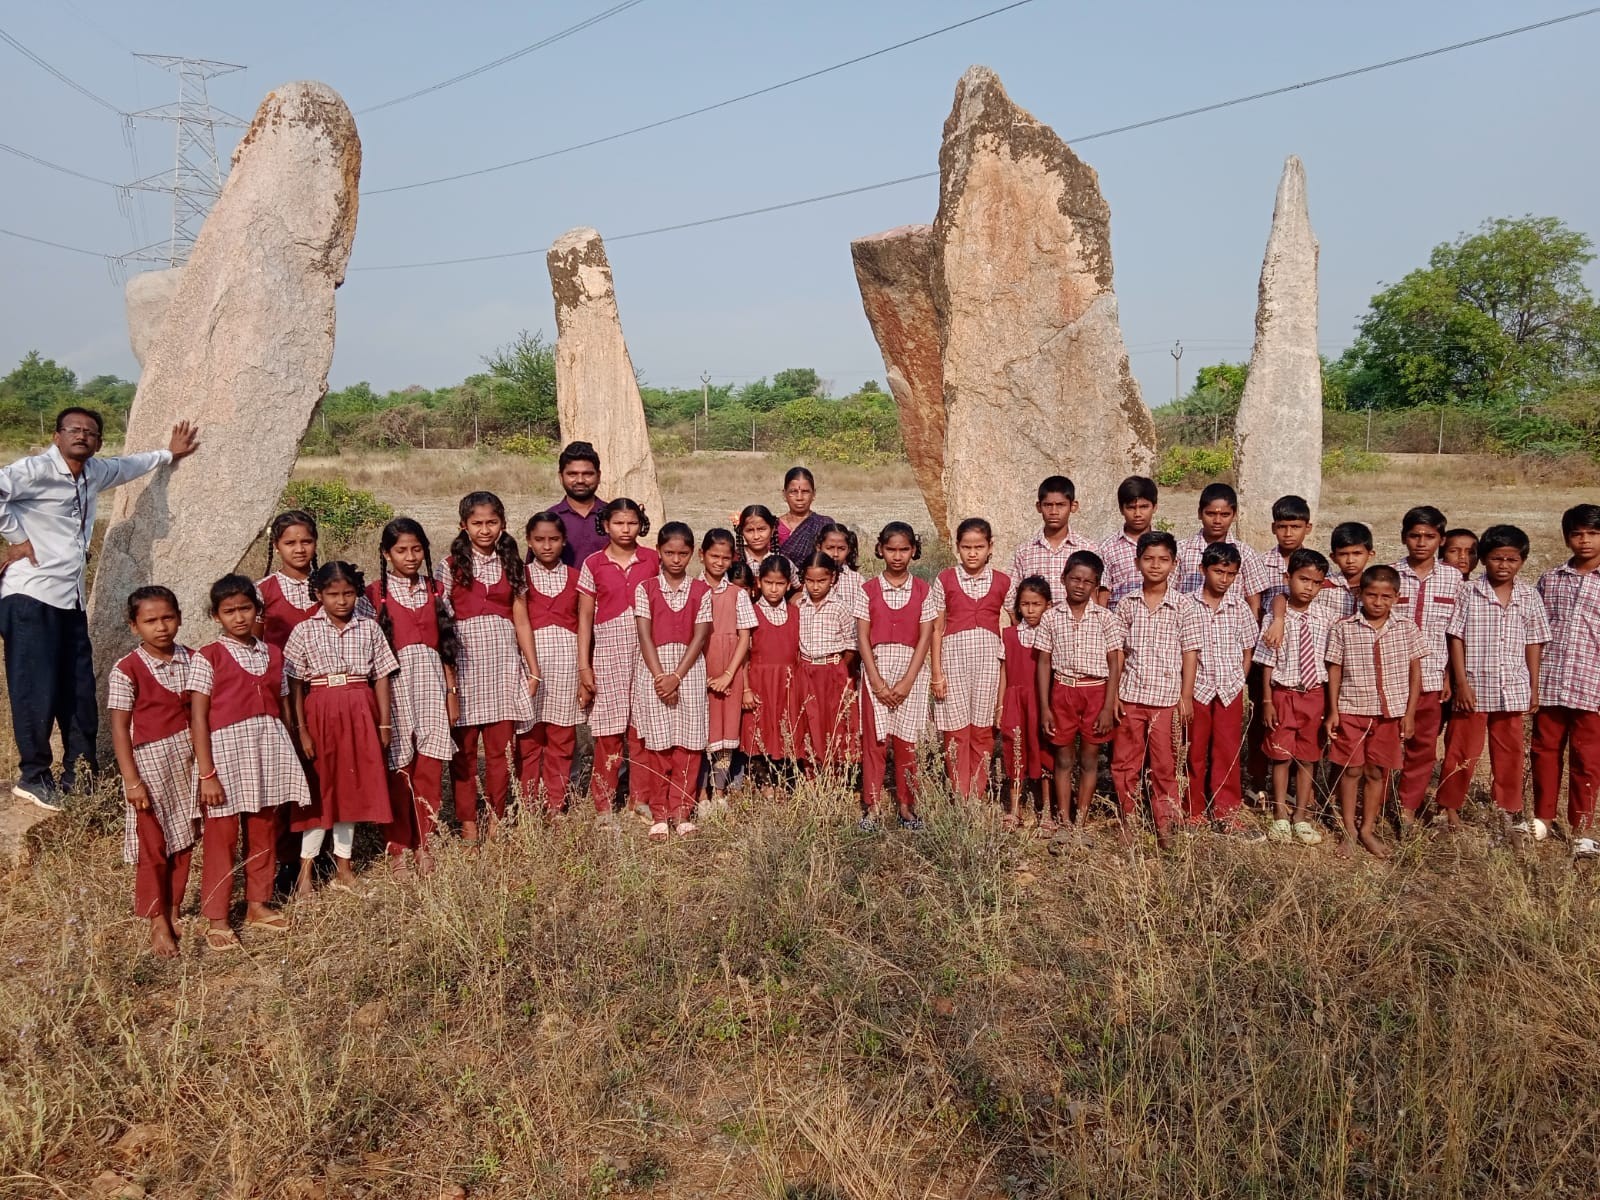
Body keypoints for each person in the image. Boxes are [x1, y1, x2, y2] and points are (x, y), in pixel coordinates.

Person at [0, 408, 199, 809]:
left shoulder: (93, 473)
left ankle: (81, 773)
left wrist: (169, 454)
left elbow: (130, 466)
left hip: (69, 600)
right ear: (57, 436)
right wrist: (16, 537)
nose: (81, 436)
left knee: (78, 691)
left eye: (90, 432)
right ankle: (33, 775)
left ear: (98, 441)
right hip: (29, 596)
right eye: (73, 429)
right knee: (34, 688)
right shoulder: (35, 470)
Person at [188, 575, 309, 952]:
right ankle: (218, 917)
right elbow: (198, 718)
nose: (239, 618)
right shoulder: (208, 656)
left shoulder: (273, 654)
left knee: (263, 831)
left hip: (267, 750)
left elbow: (285, 705)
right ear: (215, 615)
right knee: (222, 838)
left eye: (245, 609)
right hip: (225, 755)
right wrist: (207, 773)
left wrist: (292, 746)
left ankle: (258, 903)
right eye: (229, 612)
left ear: (258, 610)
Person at [285, 562, 398, 896]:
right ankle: (305, 873)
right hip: (320, 709)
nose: (342, 601)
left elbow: (382, 676)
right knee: (321, 790)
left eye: (348, 593)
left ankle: (343, 869)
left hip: (360, 707)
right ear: (318, 594)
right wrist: (301, 729)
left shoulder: (369, 628)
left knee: (351, 787)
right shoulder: (305, 630)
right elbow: (293, 685)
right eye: (333, 594)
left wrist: (384, 721)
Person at [440, 492, 541, 843]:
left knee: (501, 751)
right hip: (465, 668)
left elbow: (522, 620)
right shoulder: (449, 566)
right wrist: (449, 682)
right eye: (477, 523)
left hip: (502, 667)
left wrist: (532, 669)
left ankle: (496, 819)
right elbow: (443, 624)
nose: (485, 530)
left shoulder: (511, 563)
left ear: (502, 524)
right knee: (465, 753)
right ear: (463, 526)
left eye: (491, 523)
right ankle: (468, 823)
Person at [1436, 526, 1549, 832]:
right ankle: (1449, 808)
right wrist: (1461, 683)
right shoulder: (1469, 592)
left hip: (1511, 687)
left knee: (1510, 752)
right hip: (1473, 688)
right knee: (1461, 750)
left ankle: (1508, 809)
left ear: (1522, 561)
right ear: (1484, 559)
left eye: (1511, 559)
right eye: (1497, 558)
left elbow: (1534, 644)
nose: (1504, 565)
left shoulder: (1529, 596)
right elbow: (1455, 638)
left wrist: (1533, 687)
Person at [108, 586, 200, 958]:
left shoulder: (193, 659)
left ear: (178, 617)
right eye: (150, 621)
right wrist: (132, 781)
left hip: (188, 760)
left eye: (167, 618)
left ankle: (175, 906)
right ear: (134, 626)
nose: (161, 627)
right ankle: (156, 919)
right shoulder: (127, 669)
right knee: (153, 844)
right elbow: (119, 728)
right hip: (149, 764)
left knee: (185, 837)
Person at [365, 518, 457, 874]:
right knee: (398, 766)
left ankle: (425, 841)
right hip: (394, 686)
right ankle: (398, 845)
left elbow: (447, 645)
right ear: (386, 554)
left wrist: (451, 692)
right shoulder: (373, 594)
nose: (410, 557)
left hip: (432, 682)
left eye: (416, 549)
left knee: (430, 766)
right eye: (401, 550)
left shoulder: (435, 590)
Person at [1325, 565, 1427, 859]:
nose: (1378, 602)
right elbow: (1335, 669)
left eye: (1385, 596)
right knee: (1351, 770)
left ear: (1396, 597)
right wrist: (1333, 710)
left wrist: (1409, 714)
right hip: (1352, 708)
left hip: (1389, 712)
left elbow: (1415, 674)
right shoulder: (1344, 628)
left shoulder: (1406, 628)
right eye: (1371, 595)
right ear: (1360, 595)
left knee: (1375, 771)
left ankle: (1367, 828)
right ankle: (1348, 830)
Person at [1110, 531, 1202, 849]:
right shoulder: (1127, 604)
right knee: (1126, 762)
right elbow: (1119, 651)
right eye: (1148, 559)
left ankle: (1166, 824)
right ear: (1137, 563)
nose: (1155, 565)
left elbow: (1190, 652)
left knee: (1164, 764)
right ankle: (1129, 820)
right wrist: (1115, 694)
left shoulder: (1183, 606)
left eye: (1163, 560)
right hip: (1131, 696)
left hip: (1165, 699)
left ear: (1174, 564)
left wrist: (1186, 696)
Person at [576, 497, 659, 826]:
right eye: (618, 523)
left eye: (632, 523)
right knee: (608, 734)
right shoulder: (594, 564)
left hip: (645, 652)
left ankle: (640, 800)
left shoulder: (652, 560)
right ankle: (604, 806)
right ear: (606, 525)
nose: (625, 530)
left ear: (641, 524)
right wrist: (584, 665)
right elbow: (584, 618)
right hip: (608, 653)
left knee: (641, 731)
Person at [855, 522, 939, 831]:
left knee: (907, 742)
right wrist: (876, 682)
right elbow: (863, 637)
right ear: (880, 549)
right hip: (876, 669)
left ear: (914, 550)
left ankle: (906, 805)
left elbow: (925, 638)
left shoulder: (923, 591)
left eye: (904, 549)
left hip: (911, 673)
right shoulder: (867, 590)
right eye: (891, 549)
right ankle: (873, 807)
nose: (898, 556)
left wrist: (906, 682)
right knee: (875, 742)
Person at [633, 522, 713, 839]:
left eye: (682, 553)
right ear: (659, 553)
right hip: (654, 671)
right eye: (669, 553)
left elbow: (700, 634)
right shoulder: (646, 589)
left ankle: (682, 812)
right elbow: (644, 634)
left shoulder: (701, 591)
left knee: (688, 743)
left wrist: (677, 676)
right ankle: (659, 813)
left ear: (692, 554)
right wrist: (660, 677)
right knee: (658, 743)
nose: (676, 559)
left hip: (689, 671)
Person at [1533, 504, 1600, 856]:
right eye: (1577, 533)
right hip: (1551, 681)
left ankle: (1582, 827)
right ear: (1566, 537)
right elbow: (1535, 630)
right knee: (1544, 751)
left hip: (1592, 685)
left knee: (1587, 759)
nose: (1584, 540)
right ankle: (1542, 818)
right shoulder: (1551, 579)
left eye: (1592, 533)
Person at [1036, 553, 1120, 834]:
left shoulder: (1106, 618)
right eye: (1075, 579)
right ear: (1063, 579)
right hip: (1063, 691)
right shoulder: (1050, 617)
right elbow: (1044, 662)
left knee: (1089, 759)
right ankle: (1064, 821)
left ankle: (1081, 822)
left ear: (1096, 586)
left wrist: (1108, 706)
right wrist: (1046, 707)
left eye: (1088, 581)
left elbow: (1114, 662)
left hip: (1095, 692)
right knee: (1063, 759)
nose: (1080, 586)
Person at [1254, 549, 1331, 846]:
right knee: (1280, 756)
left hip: (1314, 693)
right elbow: (1268, 661)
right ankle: (1280, 814)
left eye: (1315, 582)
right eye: (1302, 579)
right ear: (1288, 578)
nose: (1308, 587)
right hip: (1283, 693)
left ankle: (1301, 816)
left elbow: (1330, 660)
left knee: (1308, 757)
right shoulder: (1276, 619)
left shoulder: (1326, 616)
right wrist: (1267, 700)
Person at [1392, 505, 1462, 831]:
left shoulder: (1454, 579)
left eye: (1429, 536)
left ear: (1441, 539)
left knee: (1422, 747)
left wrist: (1449, 674)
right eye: (1415, 535)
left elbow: (1455, 632)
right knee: (1387, 744)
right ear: (1404, 537)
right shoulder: (1390, 575)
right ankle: (1376, 803)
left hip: (1433, 676)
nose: (1421, 542)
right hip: (1392, 677)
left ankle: (1407, 807)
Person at [1184, 542, 1260, 836]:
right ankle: (1193, 810)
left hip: (1229, 689)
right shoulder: (1186, 604)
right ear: (1204, 570)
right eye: (1218, 571)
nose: (1224, 579)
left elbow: (1247, 650)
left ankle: (1226, 811)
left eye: (1230, 574)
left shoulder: (1239, 607)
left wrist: (1239, 679)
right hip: (1198, 688)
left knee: (1227, 751)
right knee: (1195, 750)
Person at [932, 518, 1009, 799]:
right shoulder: (945, 579)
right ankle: (959, 791)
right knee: (956, 730)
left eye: (979, 546)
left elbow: (1014, 624)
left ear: (990, 547)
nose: (973, 553)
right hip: (953, 661)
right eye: (967, 547)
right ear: (957, 548)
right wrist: (937, 673)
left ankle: (977, 791)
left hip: (988, 662)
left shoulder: (1002, 581)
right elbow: (937, 628)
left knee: (981, 729)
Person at [520, 512, 582, 815]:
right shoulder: (519, 575)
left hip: (566, 666)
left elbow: (585, 626)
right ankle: (529, 803)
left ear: (564, 541)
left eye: (554, 539)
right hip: (530, 666)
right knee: (529, 738)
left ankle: (555, 803)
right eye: (540, 540)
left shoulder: (576, 577)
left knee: (561, 737)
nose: (547, 546)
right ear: (529, 541)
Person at [700, 529, 755, 806]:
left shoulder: (737, 595)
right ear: (702, 555)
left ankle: (720, 789)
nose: (719, 563)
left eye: (725, 558)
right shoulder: (693, 590)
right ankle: (700, 793)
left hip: (729, 670)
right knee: (701, 731)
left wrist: (729, 675)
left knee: (726, 732)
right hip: (700, 670)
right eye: (713, 556)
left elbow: (744, 637)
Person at [795, 550, 858, 774]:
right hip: (806, 669)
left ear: (832, 578)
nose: (815, 586)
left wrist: (840, 667)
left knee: (835, 720)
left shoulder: (840, 607)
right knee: (809, 719)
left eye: (821, 581)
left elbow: (851, 644)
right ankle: (811, 770)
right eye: (810, 581)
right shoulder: (798, 605)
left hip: (833, 671)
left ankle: (836, 773)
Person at [742, 555, 802, 786]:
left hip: (788, 682)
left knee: (786, 728)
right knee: (760, 730)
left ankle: (786, 781)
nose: (774, 589)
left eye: (779, 584)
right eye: (769, 583)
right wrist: (746, 688)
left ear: (788, 584)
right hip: (760, 681)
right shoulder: (751, 613)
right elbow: (744, 656)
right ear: (759, 582)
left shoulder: (796, 614)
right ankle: (763, 782)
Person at [999, 577, 1052, 830]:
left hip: (1042, 701)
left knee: (1045, 751)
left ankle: (1048, 811)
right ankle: (1015, 809)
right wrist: (1000, 705)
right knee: (1014, 749)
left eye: (1036, 604)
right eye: (1025, 604)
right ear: (1018, 606)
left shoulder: (1052, 633)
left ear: (1048, 606)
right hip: (1015, 698)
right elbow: (1003, 672)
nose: (1030, 610)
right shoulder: (1009, 635)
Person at [1175, 483, 1272, 618]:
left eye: (1225, 515)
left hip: (1230, 629)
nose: (1217, 521)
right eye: (1211, 514)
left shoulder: (1246, 553)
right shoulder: (1181, 550)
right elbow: (1169, 593)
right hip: (1190, 625)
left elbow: (1254, 603)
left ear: (1235, 515)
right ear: (1199, 513)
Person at [1005, 476, 1098, 609]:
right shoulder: (1025, 551)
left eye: (1060, 505)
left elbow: (1095, 595)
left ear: (1073, 506)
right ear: (1039, 507)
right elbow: (1011, 595)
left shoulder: (1089, 549)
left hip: (1076, 627)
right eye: (1048, 505)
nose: (1054, 512)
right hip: (1036, 628)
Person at [258, 510, 320, 649]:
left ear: (315, 544)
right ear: (276, 546)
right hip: (279, 669)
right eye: (290, 543)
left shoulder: (331, 585)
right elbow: (253, 643)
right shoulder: (261, 591)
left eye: (306, 542)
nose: (299, 549)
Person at [1099, 476, 1159, 607]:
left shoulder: (1166, 546)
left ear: (1154, 507)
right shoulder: (1107, 548)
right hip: (1118, 622)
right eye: (1131, 507)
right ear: (1121, 509)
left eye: (1144, 507)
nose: (1137, 513)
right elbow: (1103, 593)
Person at [549, 441, 608, 569]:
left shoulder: (614, 517)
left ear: (598, 476)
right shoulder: (549, 519)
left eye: (587, 474)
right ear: (561, 476)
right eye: (572, 474)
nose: (580, 480)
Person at [774, 466, 833, 565]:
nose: (799, 497)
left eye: (805, 492)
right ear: (784, 494)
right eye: (793, 492)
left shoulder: (825, 525)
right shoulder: (773, 527)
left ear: (813, 494)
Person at [1318, 522, 1375, 621]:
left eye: (1357, 553)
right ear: (1333, 557)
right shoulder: (1322, 588)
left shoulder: (1376, 588)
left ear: (1370, 555)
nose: (1350, 560)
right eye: (1343, 554)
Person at [817, 522, 864, 614]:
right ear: (819, 548)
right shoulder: (811, 577)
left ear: (849, 549)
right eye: (830, 548)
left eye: (841, 549)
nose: (835, 554)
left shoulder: (857, 580)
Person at [736, 505, 782, 574]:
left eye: (761, 529)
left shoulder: (782, 562)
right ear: (742, 532)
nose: (756, 536)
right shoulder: (732, 559)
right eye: (750, 530)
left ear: (772, 530)